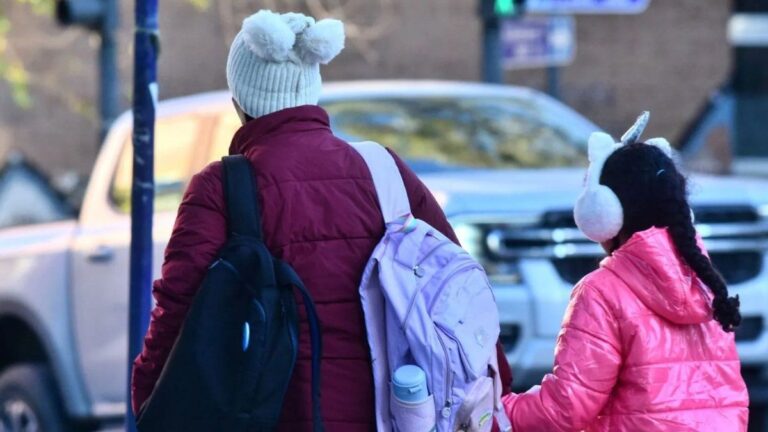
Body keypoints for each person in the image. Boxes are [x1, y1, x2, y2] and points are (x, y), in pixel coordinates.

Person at [130, 9, 512, 431]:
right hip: (394, 416)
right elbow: (457, 292)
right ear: (313, 91)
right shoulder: (385, 171)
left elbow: (176, 310)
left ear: (239, 100)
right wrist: (498, 382)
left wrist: (147, 395)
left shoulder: (221, 187)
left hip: (278, 416)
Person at [502, 119, 750, 431]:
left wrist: (501, 410)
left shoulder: (601, 292)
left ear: (603, 214)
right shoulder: (706, 284)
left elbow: (567, 408)